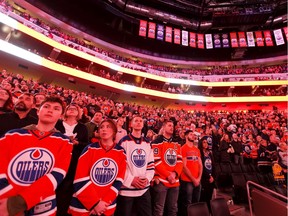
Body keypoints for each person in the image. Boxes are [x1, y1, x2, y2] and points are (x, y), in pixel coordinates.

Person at [0, 96, 72, 215]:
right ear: (38, 111)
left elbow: (57, 175)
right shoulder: (12, 135)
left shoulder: (65, 142)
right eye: (46, 106)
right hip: (5, 203)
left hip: (43, 207)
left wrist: (19, 202)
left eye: (56, 108)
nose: (50, 110)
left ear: (61, 116)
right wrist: (9, 202)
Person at [69, 119, 127, 216]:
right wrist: (94, 203)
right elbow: (80, 179)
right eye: (101, 127)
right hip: (84, 205)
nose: (104, 129)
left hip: (106, 205)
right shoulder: (89, 149)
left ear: (114, 131)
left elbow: (119, 180)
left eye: (108, 127)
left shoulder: (121, 152)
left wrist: (104, 202)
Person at [115, 116, 154, 216]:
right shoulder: (123, 142)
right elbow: (119, 165)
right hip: (126, 191)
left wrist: (147, 179)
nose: (138, 122)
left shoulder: (147, 143)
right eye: (136, 120)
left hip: (144, 189)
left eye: (141, 121)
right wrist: (130, 179)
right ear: (131, 124)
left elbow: (151, 165)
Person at [55, 103, 89, 215]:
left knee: (66, 190)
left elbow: (86, 144)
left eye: (75, 109)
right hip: (55, 160)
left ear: (78, 113)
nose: (72, 110)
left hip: (73, 162)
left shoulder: (82, 127)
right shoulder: (57, 123)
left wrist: (77, 143)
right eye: (69, 108)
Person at [151, 120, 183, 216]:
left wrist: (174, 174)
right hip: (161, 181)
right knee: (159, 210)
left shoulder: (177, 143)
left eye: (173, 126)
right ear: (164, 127)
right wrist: (168, 175)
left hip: (175, 181)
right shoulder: (156, 142)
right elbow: (156, 161)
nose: (172, 127)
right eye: (169, 125)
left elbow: (180, 161)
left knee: (173, 209)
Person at [179, 130, 203, 216]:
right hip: (187, 181)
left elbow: (200, 165)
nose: (193, 136)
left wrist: (199, 178)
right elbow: (184, 167)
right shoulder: (183, 148)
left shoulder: (197, 150)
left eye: (194, 134)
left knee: (196, 203)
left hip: (197, 180)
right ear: (186, 136)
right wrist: (194, 179)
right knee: (187, 204)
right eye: (191, 134)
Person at [199, 139, 215, 210]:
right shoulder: (199, 152)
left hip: (211, 178)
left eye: (207, 143)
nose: (206, 144)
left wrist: (213, 176)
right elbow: (201, 166)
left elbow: (213, 165)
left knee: (209, 197)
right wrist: (208, 176)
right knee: (203, 197)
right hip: (204, 178)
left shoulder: (210, 153)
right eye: (204, 142)